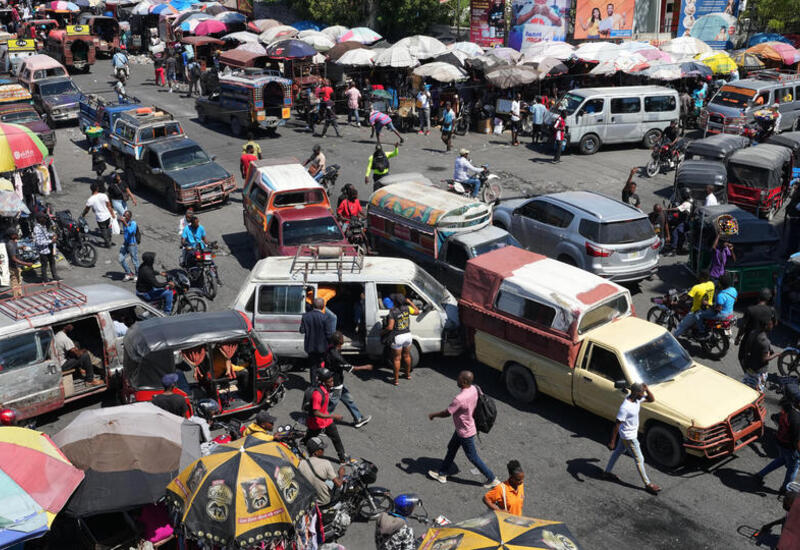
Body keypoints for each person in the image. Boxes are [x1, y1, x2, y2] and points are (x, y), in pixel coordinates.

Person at [427, 370, 499, 487]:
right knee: (452, 448)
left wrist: (433, 415)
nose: (457, 380)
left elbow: (447, 413)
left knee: (473, 457)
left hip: (465, 432)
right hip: (466, 427)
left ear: (465, 381)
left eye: (459, 378)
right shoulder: (475, 388)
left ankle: (492, 478)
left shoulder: (459, 398)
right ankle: (442, 473)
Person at [603, 382, 660, 494]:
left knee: (618, 452)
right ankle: (648, 484)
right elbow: (617, 424)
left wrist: (647, 389)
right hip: (629, 437)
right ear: (636, 393)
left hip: (627, 435)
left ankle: (606, 472)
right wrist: (612, 442)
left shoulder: (637, 399)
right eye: (642, 392)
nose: (643, 394)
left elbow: (651, 399)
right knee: (639, 459)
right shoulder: (625, 407)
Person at [755, 386, 800, 494]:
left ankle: (760, 474)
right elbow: (797, 441)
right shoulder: (797, 419)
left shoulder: (787, 410)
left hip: (781, 442)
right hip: (791, 447)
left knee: (782, 459)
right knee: (793, 468)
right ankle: (785, 489)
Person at [325, 331, 372, 428]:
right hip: (335, 384)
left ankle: (358, 419)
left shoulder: (331, 348)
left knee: (348, 400)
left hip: (338, 382)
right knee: (331, 405)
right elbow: (351, 368)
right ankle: (319, 424)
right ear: (340, 341)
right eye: (342, 337)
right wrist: (366, 367)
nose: (343, 338)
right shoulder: (336, 356)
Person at [303, 369, 347, 463]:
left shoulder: (326, 389)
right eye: (330, 381)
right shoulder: (317, 394)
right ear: (323, 382)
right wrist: (333, 416)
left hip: (326, 422)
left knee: (336, 438)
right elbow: (316, 413)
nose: (333, 382)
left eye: (332, 380)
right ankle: (301, 452)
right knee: (307, 441)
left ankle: (342, 458)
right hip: (316, 424)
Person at [297, 435, 345, 505]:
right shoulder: (326, 463)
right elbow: (339, 484)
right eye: (321, 449)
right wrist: (341, 474)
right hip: (322, 501)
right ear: (315, 452)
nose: (323, 451)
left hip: (308, 499)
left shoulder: (301, 463)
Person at [384, 293, 418, 386]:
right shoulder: (407, 308)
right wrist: (410, 302)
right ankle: (407, 375)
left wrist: (382, 332)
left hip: (398, 337)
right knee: (407, 356)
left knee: (396, 359)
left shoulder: (393, 312)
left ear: (394, 302)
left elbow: (390, 327)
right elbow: (417, 311)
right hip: (407, 335)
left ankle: (396, 380)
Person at [741, 317, 780, 392]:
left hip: (749, 367)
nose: (772, 326)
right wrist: (776, 354)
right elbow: (764, 359)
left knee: (745, 388)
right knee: (757, 393)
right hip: (759, 372)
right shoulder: (765, 342)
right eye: (771, 325)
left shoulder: (752, 333)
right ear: (766, 326)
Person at [300, 297, 333, 385]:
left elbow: (302, 330)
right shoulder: (325, 317)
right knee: (321, 365)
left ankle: (313, 384)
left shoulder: (305, 316)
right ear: (322, 306)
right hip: (322, 347)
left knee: (312, 366)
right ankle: (320, 383)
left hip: (310, 346)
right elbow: (329, 334)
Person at [81, 182, 115, 248]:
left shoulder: (90, 199)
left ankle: (107, 242)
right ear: (97, 188)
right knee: (108, 228)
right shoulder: (104, 195)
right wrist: (112, 214)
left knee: (103, 229)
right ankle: (109, 239)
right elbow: (109, 206)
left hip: (100, 218)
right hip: (107, 215)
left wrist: (83, 215)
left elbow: (87, 210)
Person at [4, 229, 31, 296]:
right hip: (13, 266)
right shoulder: (10, 244)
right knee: (15, 282)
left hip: (15, 266)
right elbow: (14, 258)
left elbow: (14, 249)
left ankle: (19, 294)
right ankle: (16, 297)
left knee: (19, 280)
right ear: (12, 235)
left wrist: (20, 247)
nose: (18, 235)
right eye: (16, 234)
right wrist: (26, 264)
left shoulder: (12, 242)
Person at [32, 213, 58, 282]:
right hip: (42, 250)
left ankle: (55, 276)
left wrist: (52, 234)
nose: (45, 220)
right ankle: (45, 279)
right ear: (40, 219)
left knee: (52, 261)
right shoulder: (36, 228)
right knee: (44, 265)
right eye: (44, 218)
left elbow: (46, 235)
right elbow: (39, 242)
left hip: (48, 248)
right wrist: (50, 241)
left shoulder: (43, 226)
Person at [119, 210, 139, 282]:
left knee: (135, 261)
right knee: (121, 259)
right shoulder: (124, 222)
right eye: (123, 215)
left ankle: (137, 275)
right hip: (125, 243)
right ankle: (129, 273)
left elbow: (131, 232)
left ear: (129, 217)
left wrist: (124, 223)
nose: (124, 217)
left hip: (132, 245)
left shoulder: (133, 223)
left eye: (125, 216)